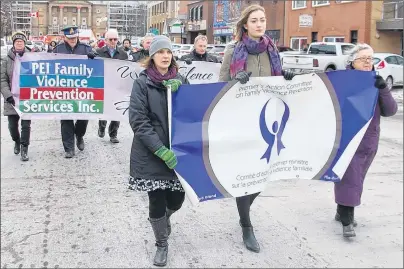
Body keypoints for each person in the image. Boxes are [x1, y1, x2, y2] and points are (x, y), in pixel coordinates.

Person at [219, 4, 295, 253]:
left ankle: (244, 210)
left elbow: (277, 80)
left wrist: (287, 77)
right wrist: (235, 81)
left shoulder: (272, 50)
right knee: (247, 177)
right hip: (241, 122)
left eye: (262, 20)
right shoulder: (233, 51)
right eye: (254, 20)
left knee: (261, 178)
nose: (260, 24)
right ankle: (246, 225)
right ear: (245, 25)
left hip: (268, 122)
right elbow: (220, 88)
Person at [128, 35, 189, 267]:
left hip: (178, 151)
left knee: (177, 198)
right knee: (156, 199)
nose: (165, 56)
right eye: (160, 52)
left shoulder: (181, 80)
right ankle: (161, 243)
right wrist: (160, 150)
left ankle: (164, 219)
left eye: (168, 52)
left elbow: (192, 112)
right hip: (151, 153)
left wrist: (180, 92)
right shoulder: (142, 82)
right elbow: (138, 120)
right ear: (152, 56)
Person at [334, 43, 397, 238]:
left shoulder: (376, 82)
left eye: (371, 58)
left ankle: (340, 211)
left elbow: (390, 111)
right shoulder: (341, 82)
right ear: (352, 62)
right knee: (349, 177)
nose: (368, 62)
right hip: (348, 138)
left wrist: (384, 89)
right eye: (364, 59)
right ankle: (347, 220)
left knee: (356, 177)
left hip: (369, 141)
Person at [53, 26, 96, 158]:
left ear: (77, 36)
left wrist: (93, 57)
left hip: (82, 89)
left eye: (74, 37)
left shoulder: (85, 48)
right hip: (64, 90)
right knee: (66, 119)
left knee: (83, 117)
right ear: (65, 37)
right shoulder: (58, 49)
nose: (72, 40)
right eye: (70, 38)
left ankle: (79, 135)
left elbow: (98, 64)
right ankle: (69, 148)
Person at [1, 32, 32, 161]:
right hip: (12, 99)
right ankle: (17, 141)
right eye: (17, 41)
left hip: (27, 98)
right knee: (12, 126)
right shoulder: (6, 60)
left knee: (26, 125)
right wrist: (8, 95)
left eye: (21, 41)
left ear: (24, 43)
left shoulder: (32, 57)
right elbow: (2, 79)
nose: (19, 43)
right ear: (14, 44)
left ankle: (24, 148)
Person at [96, 29, 128, 143]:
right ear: (106, 40)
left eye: (115, 39)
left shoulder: (123, 54)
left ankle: (113, 134)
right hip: (103, 85)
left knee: (117, 110)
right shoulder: (98, 52)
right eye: (111, 39)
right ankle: (102, 126)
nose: (113, 41)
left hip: (118, 86)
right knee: (104, 109)